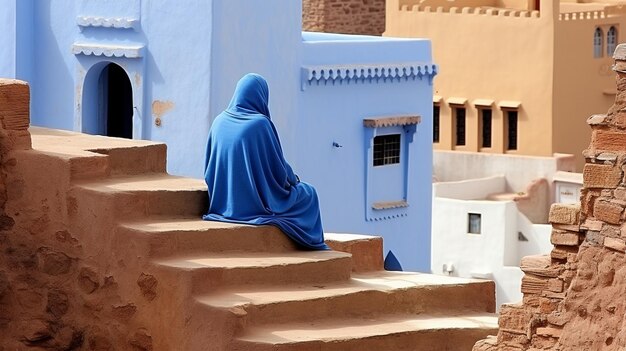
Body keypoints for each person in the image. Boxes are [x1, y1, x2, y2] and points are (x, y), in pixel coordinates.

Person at [202, 73, 328, 250]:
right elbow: (278, 170)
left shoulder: (218, 122)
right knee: (309, 194)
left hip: (221, 203)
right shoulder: (260, 124)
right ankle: (311, 246)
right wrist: (294, 180)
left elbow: (208, 167)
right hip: (257, 206)